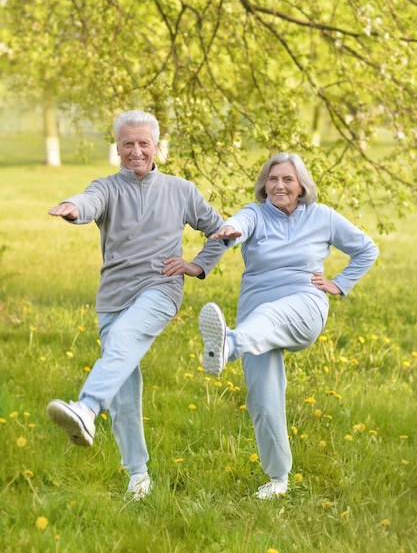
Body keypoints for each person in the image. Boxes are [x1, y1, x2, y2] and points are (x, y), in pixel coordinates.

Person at [46, 110, 226, 501]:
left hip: (160, 289)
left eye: (144, 142)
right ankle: (138, 476)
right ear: (117, 147)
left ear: (156, 145)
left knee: (125, 339)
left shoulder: (181, 190)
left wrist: (197, 266)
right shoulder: (107, 187)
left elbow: (221, 231)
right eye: (127, 143)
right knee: (125, 387)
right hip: (112, 296)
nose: (136, 151)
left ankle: (88, 408)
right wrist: (72, 207)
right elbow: (89, 201)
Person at [198, 152, 379, 500]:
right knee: (263, 398)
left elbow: (367, 249)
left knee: (271, 317)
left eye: (287, 180)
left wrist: (340, 283)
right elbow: (240, 225)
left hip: (303, 304)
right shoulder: (254, 214)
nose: (279, 185)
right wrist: (231, 231)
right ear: (264, 185)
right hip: (254, 315)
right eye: (272, 179)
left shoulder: (321, 216)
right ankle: (278, 478)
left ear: (301, 186)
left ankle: (227, 347)